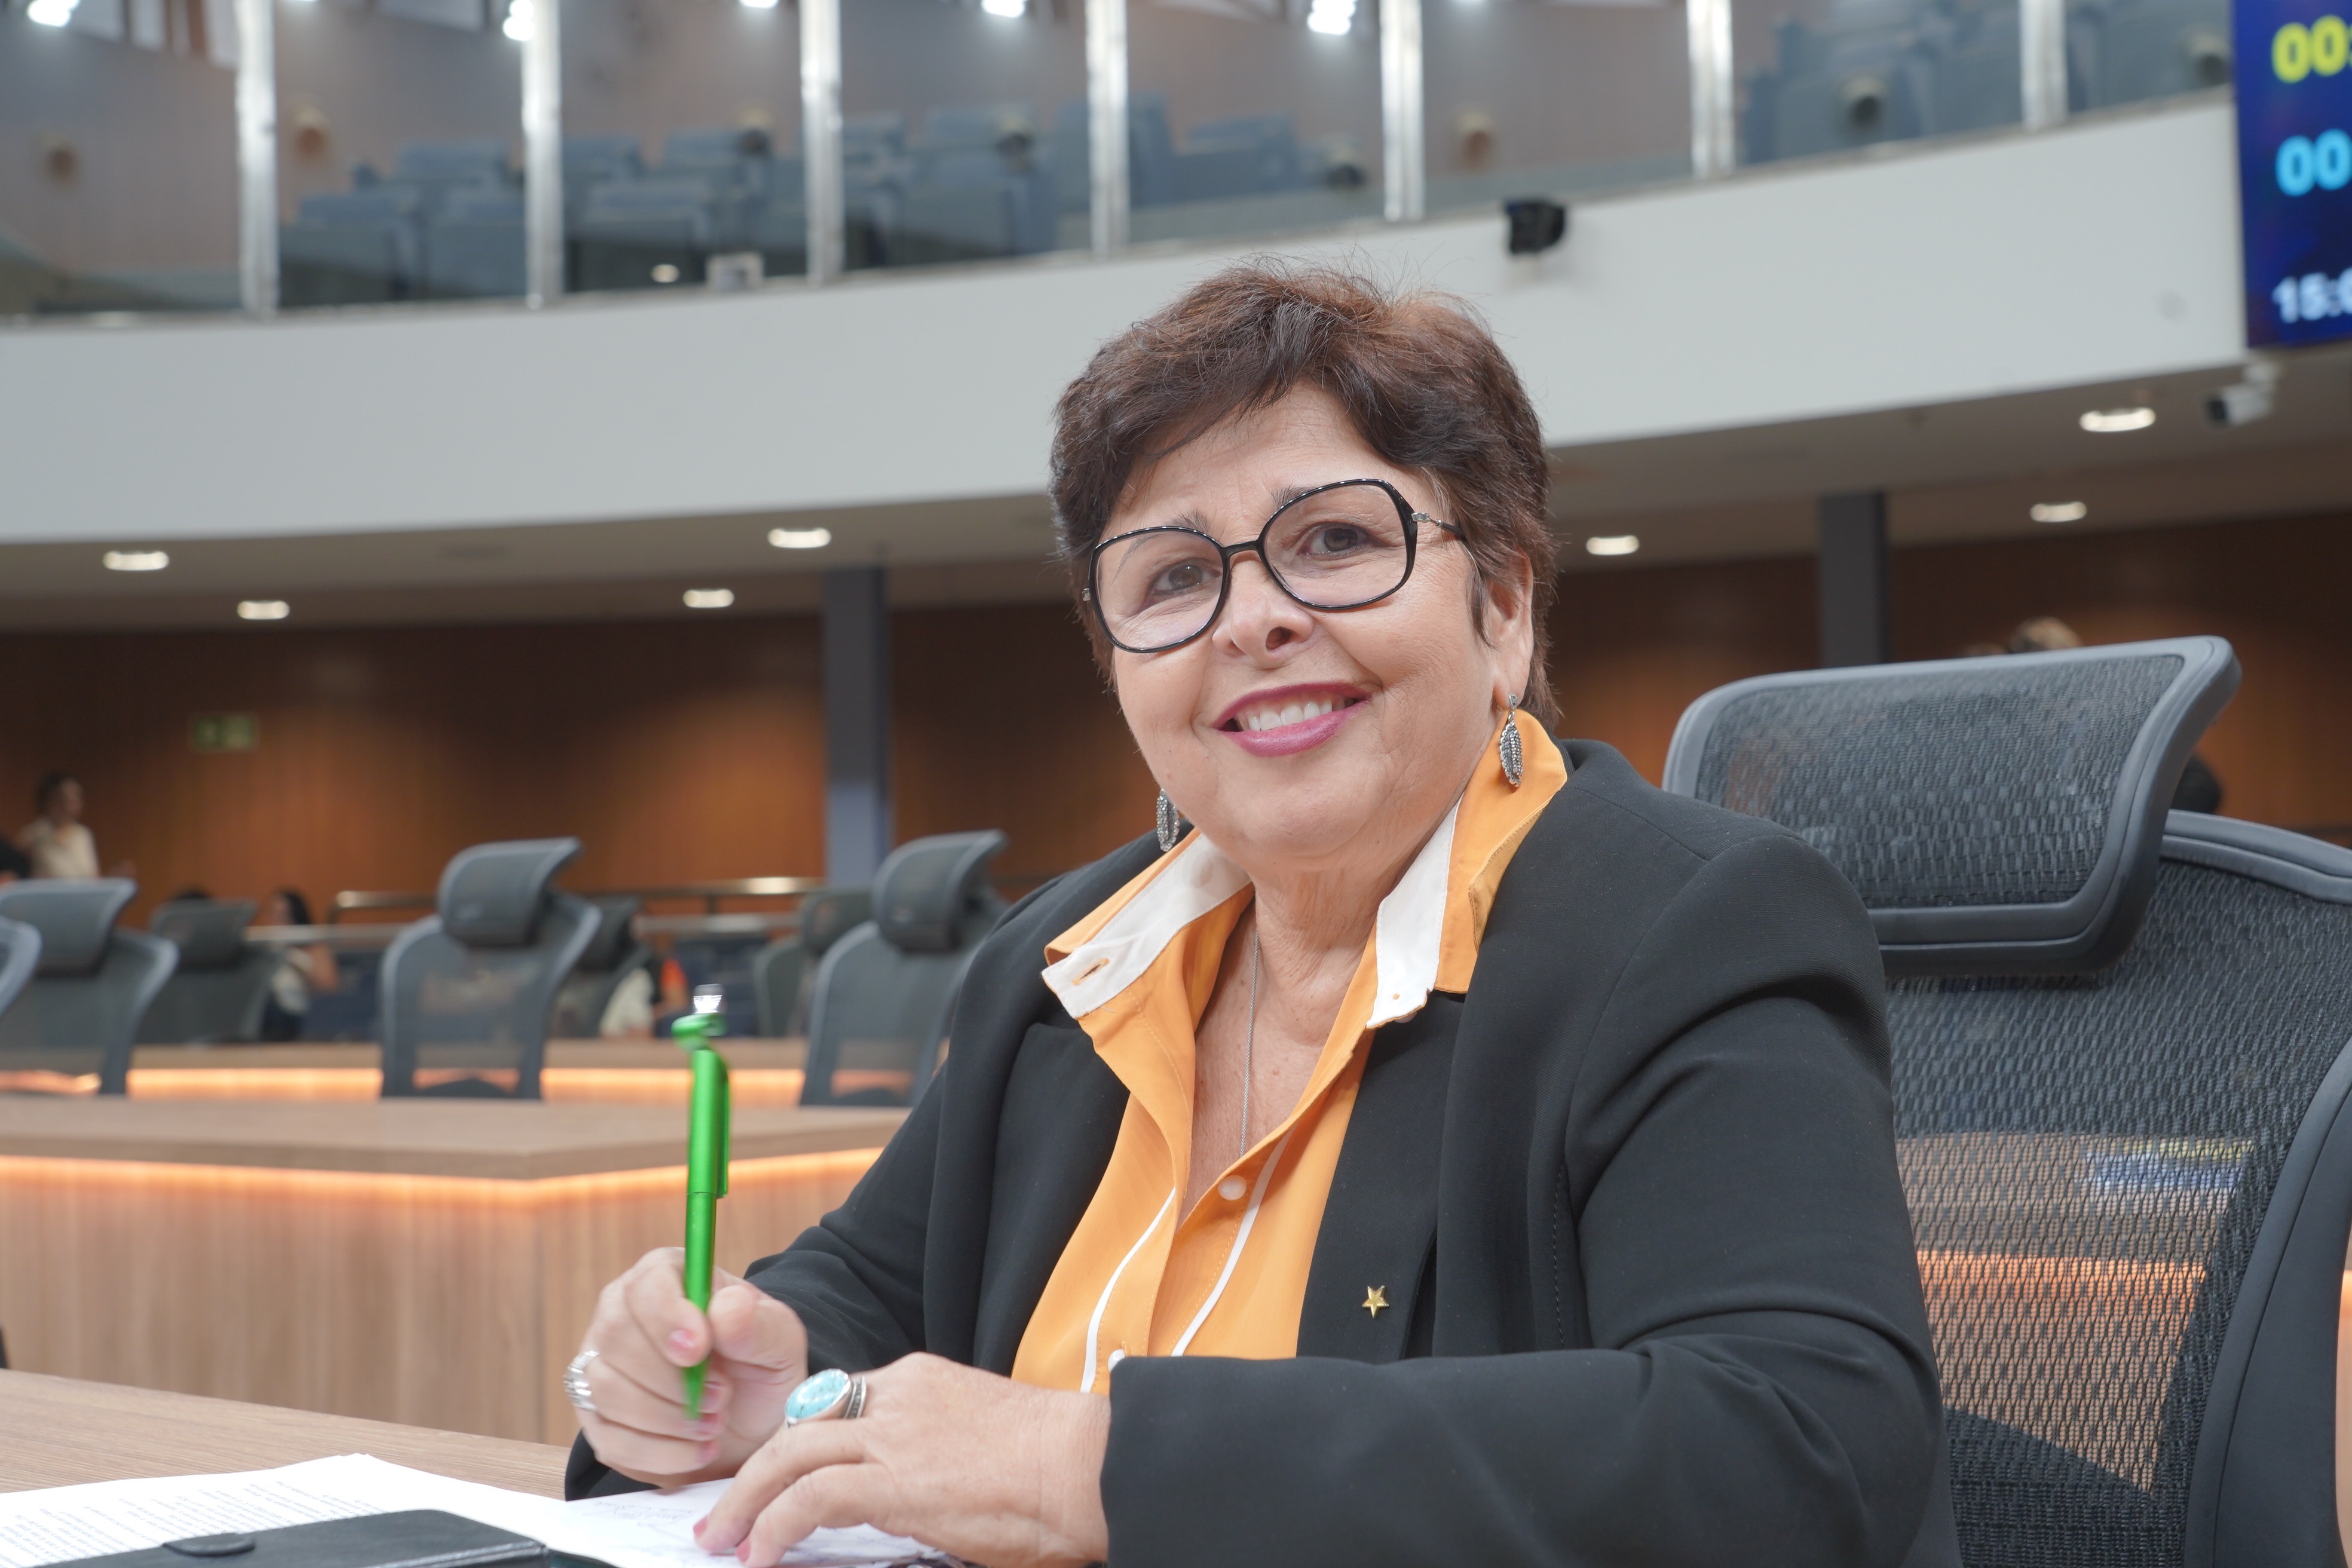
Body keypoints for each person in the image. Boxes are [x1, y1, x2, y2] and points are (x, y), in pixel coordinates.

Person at [566, 264, 1955, 1568]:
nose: (1251, 620)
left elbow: (1796, 1438)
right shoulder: (1066, 963)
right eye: (1173, 576)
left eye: (1334, 540)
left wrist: (1092, 1466)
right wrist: (761, 1374)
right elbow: (873, 1286)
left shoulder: (1690, 924)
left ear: (1504, 606)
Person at [258, 889, 338, 1043]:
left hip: (303, 1016)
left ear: (296, 917)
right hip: (269, 1017)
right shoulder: (263, 950)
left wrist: (297, 962)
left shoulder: (314, 949)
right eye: (273, 915)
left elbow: (330, 989)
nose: (278, 923)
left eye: (284, 916)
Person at [16, 772, 106, 880]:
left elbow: (94, 876)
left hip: (83, 891)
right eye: (64, 800)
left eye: (75, 801)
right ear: (48, 801)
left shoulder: (83, 834)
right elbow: (18, 875)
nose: (69, 807)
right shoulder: (32, 835)